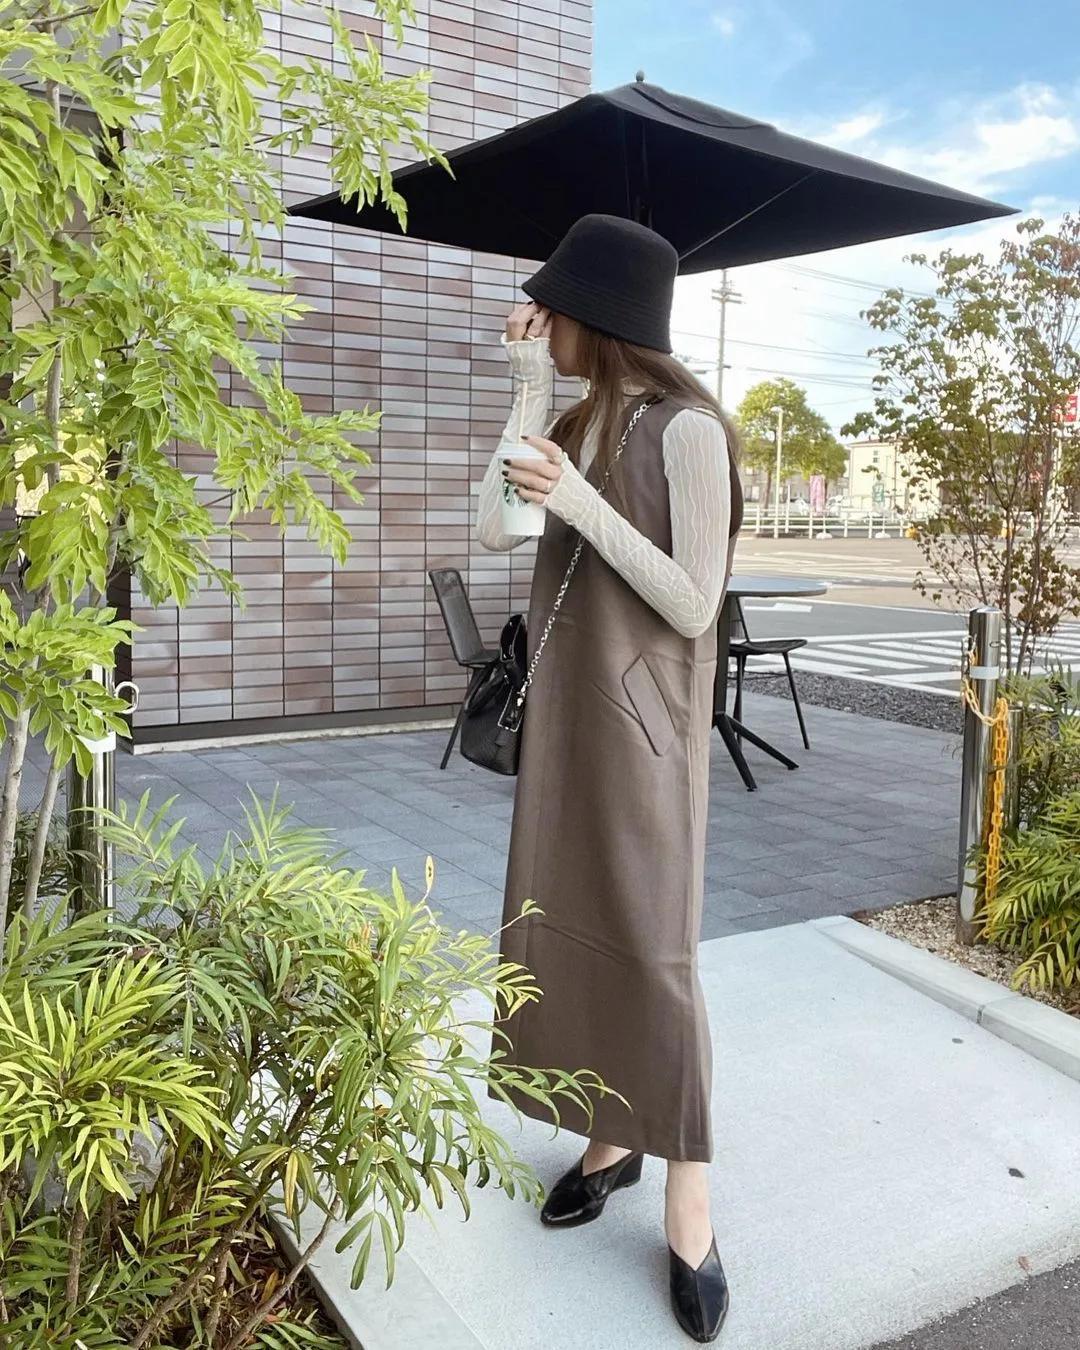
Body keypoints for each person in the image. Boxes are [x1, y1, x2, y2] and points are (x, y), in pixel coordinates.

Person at [474, 214, 743, 1344]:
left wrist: (579, 500)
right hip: (569, 719)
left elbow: (693, 600)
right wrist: (528, 391)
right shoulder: (574, 418)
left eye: (552, 310)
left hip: (648, 730)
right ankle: (608, 1137)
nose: (539, 319)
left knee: (654, 950)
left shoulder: (691, 430)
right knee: (566, 926)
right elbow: (494, 531)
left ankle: (690, 1199)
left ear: (598, 314)